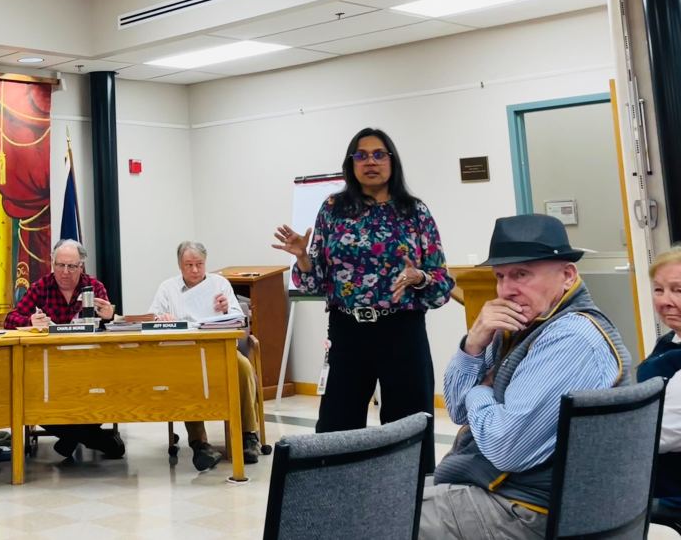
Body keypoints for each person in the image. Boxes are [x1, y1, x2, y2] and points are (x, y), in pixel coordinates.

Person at [419, 214, 631, 539]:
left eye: (521, 274)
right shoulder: (521, 324)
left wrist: (481, 392)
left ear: (567, 275)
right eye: (500, 276)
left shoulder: (571, 336)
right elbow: (458, 411)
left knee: (376, 513)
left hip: (529, 510)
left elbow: (505, 448)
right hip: (504, 492)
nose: (506, 290)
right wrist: (474, 341)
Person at [272, 127, 453, 466]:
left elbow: (442, 284)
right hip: (348, 330)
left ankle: (413, 505)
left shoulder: (415, 212)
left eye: (379, 154)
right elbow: (315, 284)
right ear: (351, 164)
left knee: (409, 424)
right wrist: (303, 258)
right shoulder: (333, 209)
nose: (370, 161)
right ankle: (335, 502)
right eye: (361, 155)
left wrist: (419, 277)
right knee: (336, 427)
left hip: (402, 330)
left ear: (392, 161)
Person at [148, 240, 262, 471]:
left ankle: (248, 435)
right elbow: (150, 319)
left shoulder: (219, 284)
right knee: (188, 378)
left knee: (243, 367)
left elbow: (241, 321)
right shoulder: (167, 288)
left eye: (199, 264)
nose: (194, 270)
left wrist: (226, 309)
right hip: (184, 354)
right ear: (180, 265)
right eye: (188, 265)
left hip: (221, 350)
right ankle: (200, 444)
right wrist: (161, 320)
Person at [4, 239, 123, 460]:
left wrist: (109, 317)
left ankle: (71, 438)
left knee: (107, 390)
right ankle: (98, 439)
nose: (65, 272)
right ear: (52, 263)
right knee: (32, 401)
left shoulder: (94, 287)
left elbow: (112, 330)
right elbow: (9, 320)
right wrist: (31, 320)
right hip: (51, 369)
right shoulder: (41, 287)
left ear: (81, 266)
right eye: (60, 265)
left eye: (72, 266)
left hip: (89, 367)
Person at [636, 247, 681, 518]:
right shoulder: (668, 341)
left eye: (678, 290)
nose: (665, 301)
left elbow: (656, 436)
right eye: (658, 290)